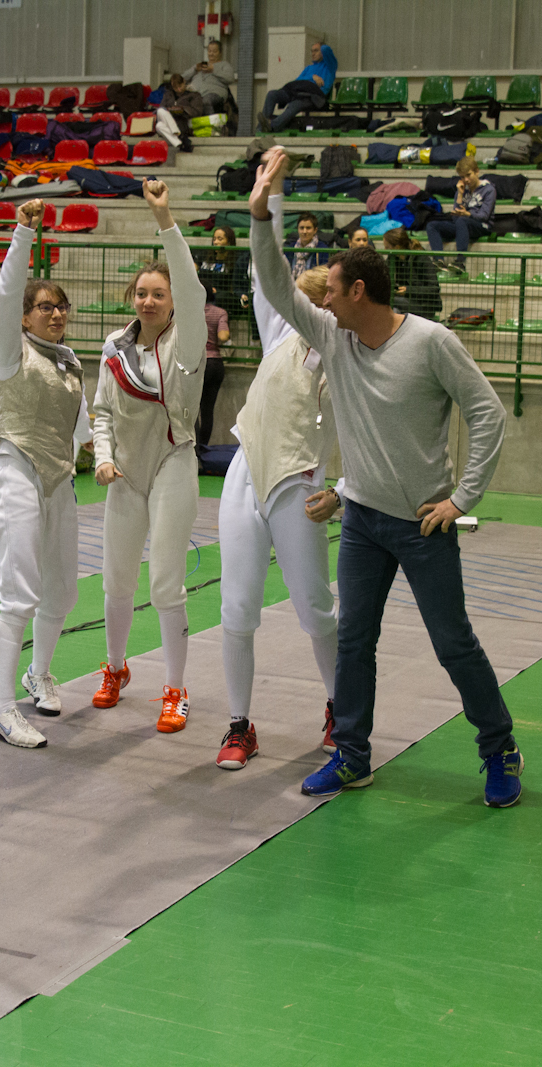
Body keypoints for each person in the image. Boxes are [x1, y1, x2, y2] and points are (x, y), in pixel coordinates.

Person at [248, 147, 523, 807]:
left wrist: (462, 498)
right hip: (363, 520)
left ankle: (500, 748)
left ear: (358, 292)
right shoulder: (334, 337)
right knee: (354, 641)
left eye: (332, 289)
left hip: (424, 522)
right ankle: (352, 756)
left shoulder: (431, 343)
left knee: (453, 644)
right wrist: (260, 215)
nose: (322, 297)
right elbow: (278, 286)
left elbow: (488, 414)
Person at [215, 189, 339, 771]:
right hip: (245, 474)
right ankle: (240, 725)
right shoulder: (280, 333)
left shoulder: (350, 358)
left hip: (301, 486)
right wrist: (271, 201)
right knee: (237, 608)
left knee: (315, 607)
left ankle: (341, 710)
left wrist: (344, 491)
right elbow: (267, 267)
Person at [90, 179, 207, 732]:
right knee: (116, 582)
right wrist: (102, 457)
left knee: (164, 583)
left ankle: (175, 688)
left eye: (159, 294)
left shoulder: (189, 339)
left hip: (172, 465)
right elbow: (102, 412)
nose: (149, 301)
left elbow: (191, 286)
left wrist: (165, 218)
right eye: (141, 293)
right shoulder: (114, 346)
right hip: (124, 474)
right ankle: (115, 668)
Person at [0, 199, 94, 750]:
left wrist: (108, 455)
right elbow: (5, 296)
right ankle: (1, 709)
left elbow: (85, 427)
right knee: (19, 596)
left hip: (60, 481)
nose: (56, 314)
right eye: (45, 307)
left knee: (63, 591)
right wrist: (23, 235)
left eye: (61, 306)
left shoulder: (70, 361)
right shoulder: (9, 351)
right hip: (17, 474)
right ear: (25, 317)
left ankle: (39, 673)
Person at [426, 158, 495, 275]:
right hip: (462, 224)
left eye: (468, 175)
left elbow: (484, 216)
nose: (466, 180)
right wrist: (460, 194)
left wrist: (467, 214)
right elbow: (456, 215)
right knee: (432, 225)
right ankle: (439, 261)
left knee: (462, 221)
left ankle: (460, 261)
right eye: (462, 177)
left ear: (477, 171)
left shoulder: (489, 189)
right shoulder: (462, 189)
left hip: (481, 225)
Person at [258, 42, 336, 133]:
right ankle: (261, 128)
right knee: (272, 94)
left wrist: (322, 48)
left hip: (313, 96)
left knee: (294, 105)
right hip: (297, 92)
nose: (313, 54)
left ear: (323, 53)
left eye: (316, 51)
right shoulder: (308, 68)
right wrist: (312, 77)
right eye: (312, 51)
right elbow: (298, 81)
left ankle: (272, 126)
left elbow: (326, 49)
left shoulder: (330, 67)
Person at [196, 292, 231, 448]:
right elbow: (223, 336)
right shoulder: (220, 312)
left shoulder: (191, 311)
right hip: (214, 364)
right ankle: (203, 447)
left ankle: (194, 448)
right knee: (207, 410)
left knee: (191, 409)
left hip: (195, 364)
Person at [384, 227, 442, 319]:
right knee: (395, 310)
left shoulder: (421, 257)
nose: (385, 250)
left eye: (387, 247)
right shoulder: (393, 258)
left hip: (424, 306)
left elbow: (434, 288)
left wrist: (408, 290)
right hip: (404, 302)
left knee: (390, 301)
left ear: (397, 247)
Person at [195, 227, 250, 311]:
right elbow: (191, 271)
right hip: (202, 292)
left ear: (229, 242)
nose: (215, 242)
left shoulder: (236, 259)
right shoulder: (205, 255)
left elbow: (234, 286)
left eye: (220, 239)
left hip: (221, 298)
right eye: (214, 239)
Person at [185, 39, 236, 114]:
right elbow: (181, 78)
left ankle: (210, 121)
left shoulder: (224, 65)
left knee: (206, 101)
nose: (211, 54)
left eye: (214, 51)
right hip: (195, 93)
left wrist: (213, 70)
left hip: (213, 94)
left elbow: (230, 78)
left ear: (220, 53)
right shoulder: (201, 65)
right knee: (182, 101)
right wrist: (194, 69)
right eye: (209, 51)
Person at [286, 212, 330, 277]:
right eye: (301, 228)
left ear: (315, 230)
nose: (304, 232)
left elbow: (323, 276)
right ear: (298, 229)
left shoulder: (323, 250)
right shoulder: (289, 249)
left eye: (308, 228)